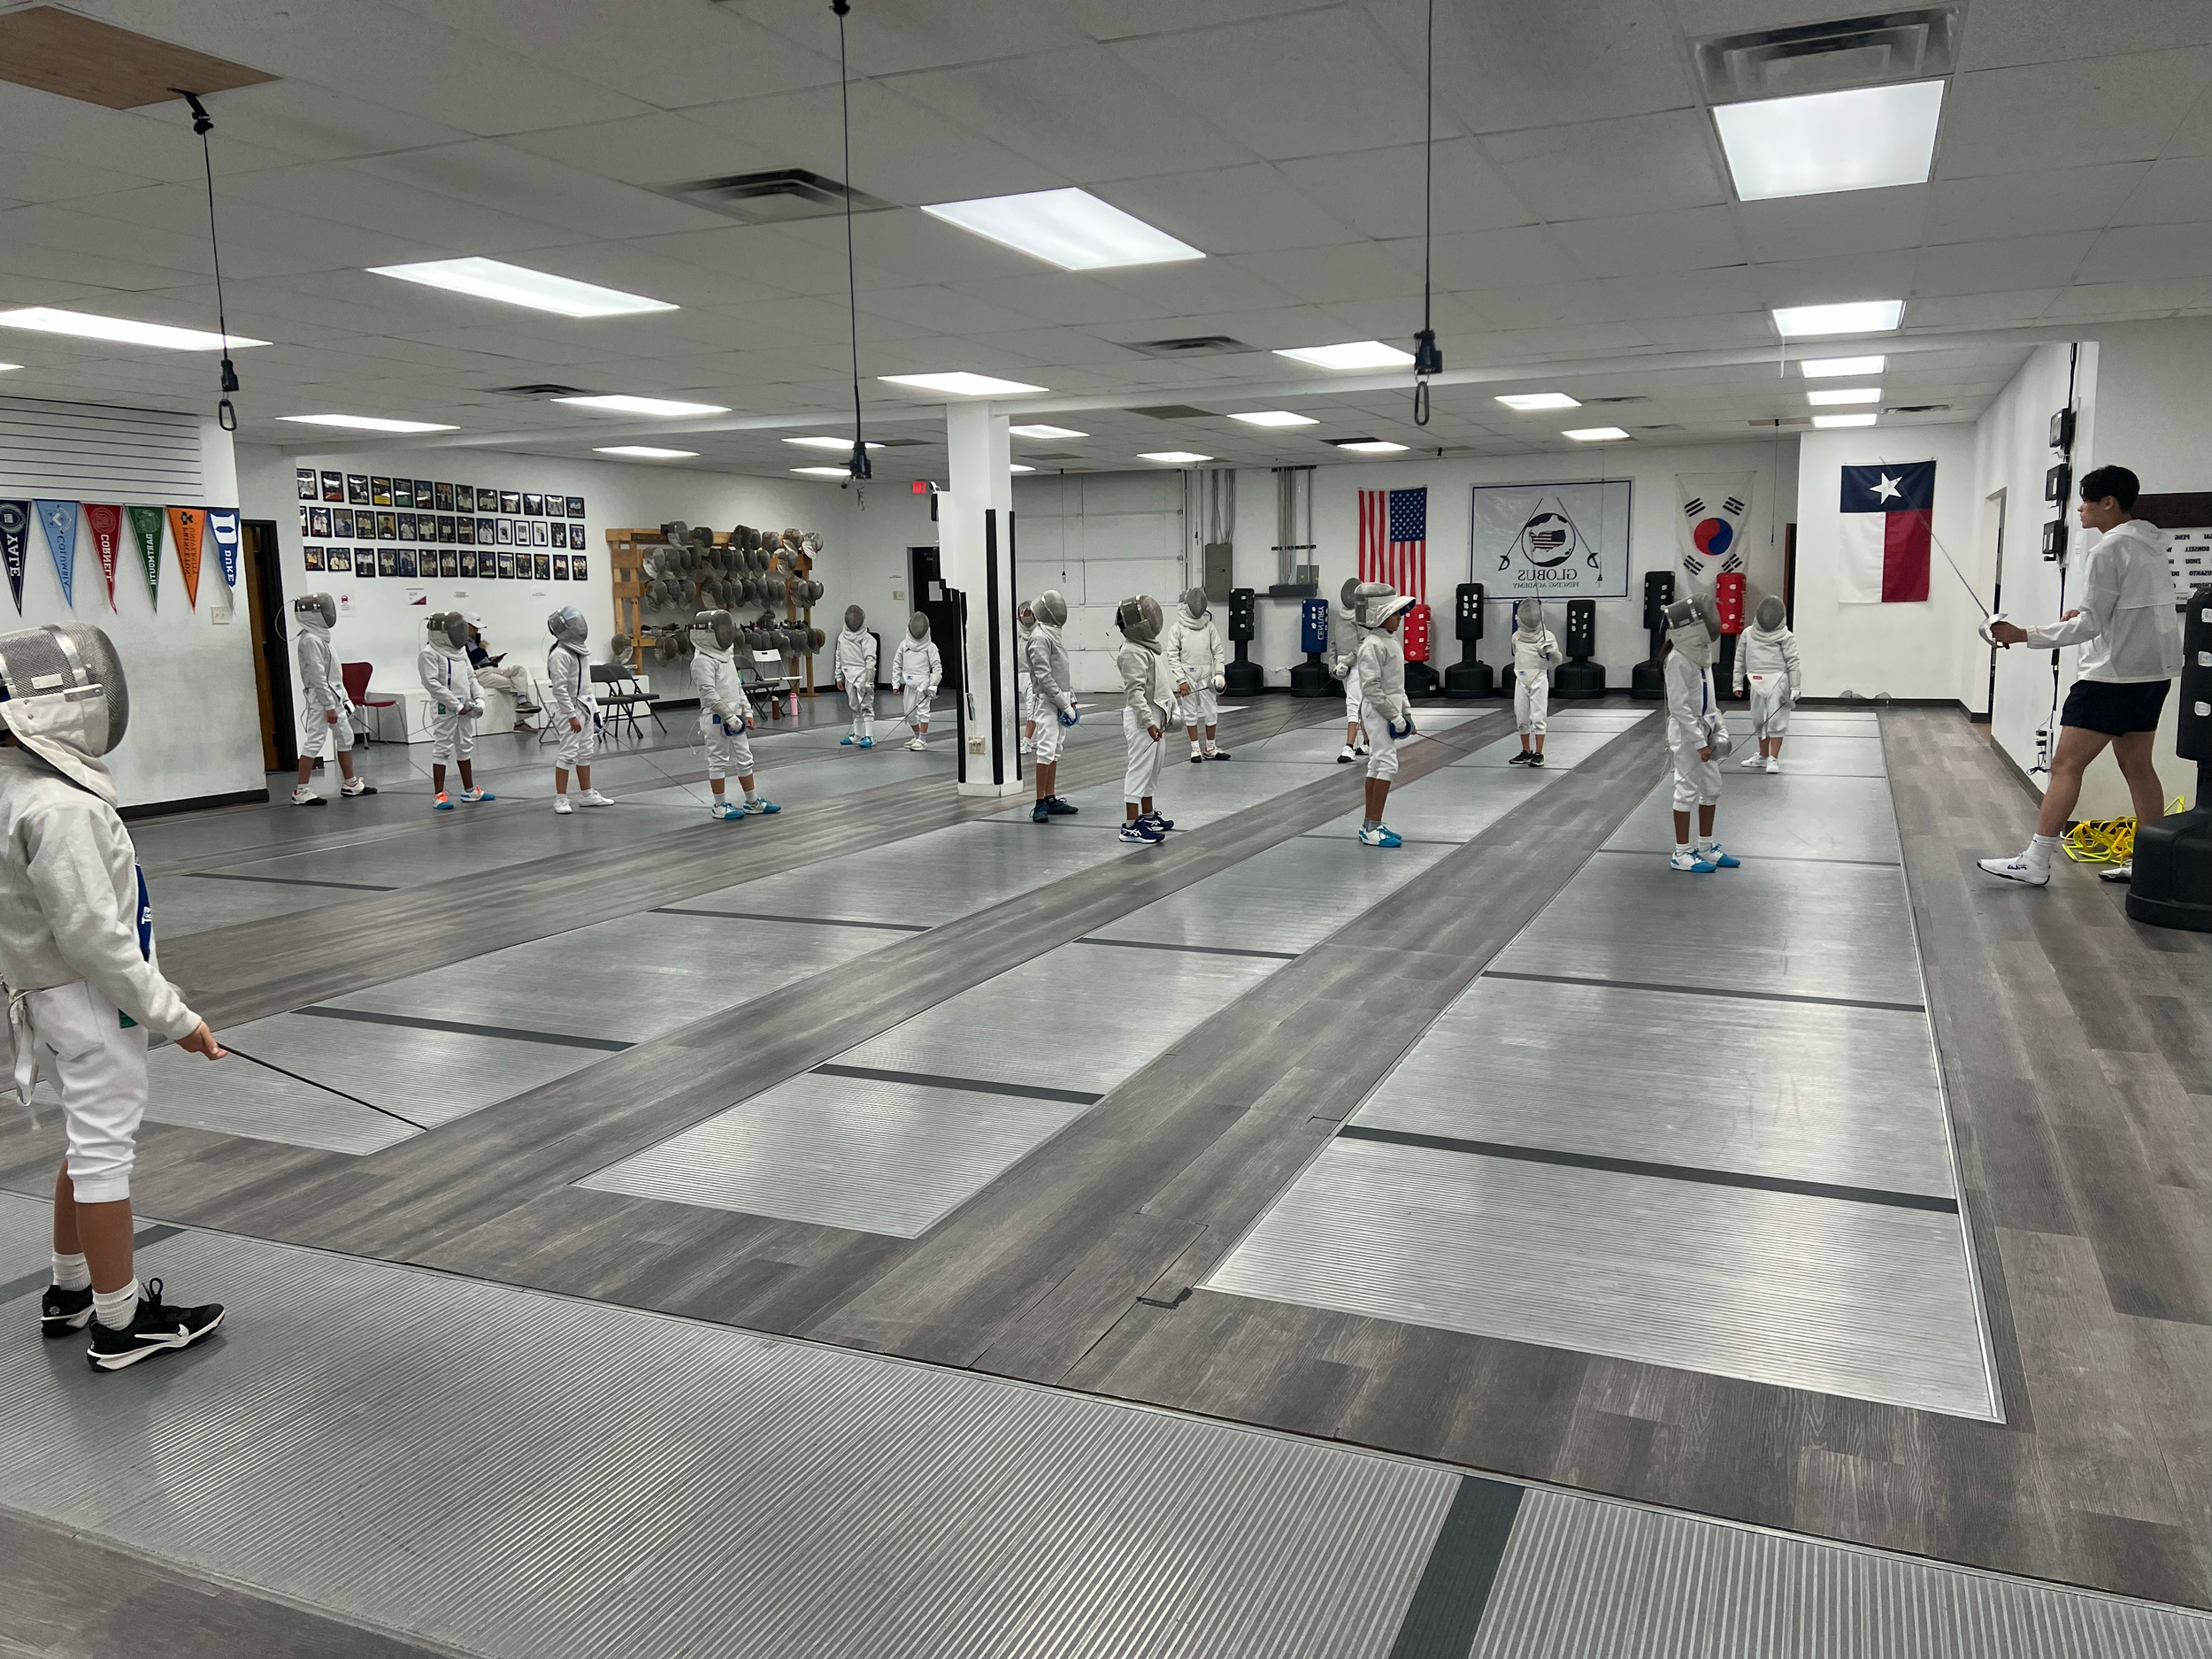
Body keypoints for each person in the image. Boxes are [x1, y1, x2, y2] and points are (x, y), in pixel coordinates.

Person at [0, 624, 227, 1371]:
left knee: (85, 1138)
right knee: (104, 1155)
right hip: (89, 1003)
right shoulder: (60, 809)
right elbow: (97, 938)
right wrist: (178, 1016)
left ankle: (69, 1291)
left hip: (43, 998)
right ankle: (121, 1322)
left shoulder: (14, 790)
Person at [1980, 465, 2185, 887]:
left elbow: (2089, 625)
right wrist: (2089, 619)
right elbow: (2119, 615)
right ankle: (2154, 863)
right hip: (2152, 675)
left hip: (2110, 678)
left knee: (2065, 765)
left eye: (2086, 501)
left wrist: (2022, 635)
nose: (2079, 509)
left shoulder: (2107, 550)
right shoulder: (2151, 545)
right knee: (2138, 766)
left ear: (2108, 503)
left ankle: (2035, 861)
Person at [1663, 593, 1740, 874]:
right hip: (1687, 734)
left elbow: (1709, 700)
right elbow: (1679, 707)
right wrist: (1697, 742)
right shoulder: (1677, 659)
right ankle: (1681, 853)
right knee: (1686, 791)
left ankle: (1706, 847)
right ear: (1690, 627)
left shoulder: (1700, 655)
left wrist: (1719, 727)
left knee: (1711, 790)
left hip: (1705, 729)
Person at [690, 609, 779, 820]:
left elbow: (737, 687)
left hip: (735, 718)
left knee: (745, 759)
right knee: (718, 761)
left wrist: (746, 712)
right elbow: (709, 694)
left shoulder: (726, 655)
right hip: (715, 718)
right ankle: (719, 806)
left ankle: (753, 802)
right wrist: (728, 716)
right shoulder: (702, 660)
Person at [288, 592, 375, 805]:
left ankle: (351, 784)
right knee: (315, 741)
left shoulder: (322, 638)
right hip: (320, 698)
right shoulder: (309, 640)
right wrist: (329, 706)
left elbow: (333, 674)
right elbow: (318, 677)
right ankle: (301, 790)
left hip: (335, 696)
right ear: (311, 615)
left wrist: (343, 700)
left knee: (346, 738)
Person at [1352, 582, 1417, 847]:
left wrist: (1407, 712)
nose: (1400, 618)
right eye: (1395, 613)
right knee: (1387, 764)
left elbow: (1396, 685)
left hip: (1387, 710)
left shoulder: (1389, 640)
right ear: (1380, 616)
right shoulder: (1372, 645)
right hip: (1377, 711)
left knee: (1377, 763)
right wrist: (1395, 717)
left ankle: (1370, 824)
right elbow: (1371, 688)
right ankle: (1372, 828)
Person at [1115, 595, 1177, 845]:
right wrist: (1149, 723)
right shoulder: (1131, 652)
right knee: (1139, 770)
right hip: (1143, 720)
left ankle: (1148, 816)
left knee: (1152, 770)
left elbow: (1159, 687)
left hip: (1155, 717)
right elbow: (1135, 694)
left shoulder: (1148, 648)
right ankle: (1130, 826)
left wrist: (1170, 714)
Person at [419, 611, 493, 810]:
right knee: (443, 747)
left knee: (465, 745)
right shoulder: (429, 653)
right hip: (445, 707)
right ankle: (438, 795)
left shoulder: (460, 652)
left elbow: (471, 678)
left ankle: (469, 791)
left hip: (466, 706)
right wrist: (456, 705)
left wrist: (479, 699)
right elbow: (432, 684)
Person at [543, 606, 611, 815]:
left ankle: (587, 794)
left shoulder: (579, 651)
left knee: (585, 752)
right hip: (570, 710)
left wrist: (595, 711)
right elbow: (559, 689)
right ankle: (560, 799)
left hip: (586, 707)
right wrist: (572, 715)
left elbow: (586, 686)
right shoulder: (560, 654)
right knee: (568, 753)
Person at [1025, 589, 1080, 825]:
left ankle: (1050, 797)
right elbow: (1044, 677)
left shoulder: (1051, 633)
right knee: (1045, 749)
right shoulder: (1039, 637)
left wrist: (1071, 696)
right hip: (1047, 701)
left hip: (1060, 698)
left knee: (1056, 748)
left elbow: (1061, 672)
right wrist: (1063, 702)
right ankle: (1039, 803)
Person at [1734, 594, 1801, 772]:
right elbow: (1739, 659)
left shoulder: (1786, 636)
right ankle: (1763, 757)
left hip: (1778, 680)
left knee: (1777, 721)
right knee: (1759, 720)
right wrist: (1737, 683)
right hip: (1755, 681)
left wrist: (1795, 687)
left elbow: (1793, 662)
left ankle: (1773, 758)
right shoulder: (1748, 633)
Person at [1169, 587, 1232, 762]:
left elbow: (1218, 651)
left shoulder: (1209, 627)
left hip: (1206, 673)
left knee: (1211, 711)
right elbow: (1172, 656)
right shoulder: (1177, 629)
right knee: (1190, 712)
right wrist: (1181, 680)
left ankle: (1210, 748)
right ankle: (1195, 749)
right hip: (1187, 675)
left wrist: (1219, 673)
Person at [1507, 598, 1562, 768]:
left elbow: (1558, 661)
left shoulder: (1548, 636)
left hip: (1539, 678)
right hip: (1521, 679)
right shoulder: (1516, 637)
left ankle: (1539, 753)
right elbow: (1517, 654)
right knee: (1521, 717)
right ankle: (1526, 751)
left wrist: (1551, 652)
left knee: (1538, 717)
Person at [465, 618, 539, 732]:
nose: (476, 630)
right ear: (466, 625)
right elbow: (467, 661)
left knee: (519, 670)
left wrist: (491, 661)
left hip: (489, 668)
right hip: (479, 673)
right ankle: (520, 722)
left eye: (477, 628)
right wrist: (481, 652)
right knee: (515, 684)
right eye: (474, 627)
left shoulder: (474, 641)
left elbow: (479, 659)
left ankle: (523, 702)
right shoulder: (460, 643)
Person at [1329, 575, 1368, 764]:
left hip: (1358, 665)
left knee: (1353, 705)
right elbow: (1334, 643)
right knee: (1360, 706)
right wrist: (1333, 666)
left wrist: (1348, 661)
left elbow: (1364, 642)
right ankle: (1367, 743)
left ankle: (1349, 747)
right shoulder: (1339, 617)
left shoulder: (1362, 617)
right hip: (1342, 666)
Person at [891, 612, 941, 752]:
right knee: (908, 712)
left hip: (923, 684)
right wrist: (896, 683)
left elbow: (937, 667)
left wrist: (933, 684)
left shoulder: (930, 647)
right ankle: (917, 737)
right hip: (909, 683)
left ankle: (923, 740)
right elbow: (897, 664)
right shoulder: (904, 645)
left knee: (923, 711)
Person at [835, 604, 879, 749]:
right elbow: (839, 657)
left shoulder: (869, 639)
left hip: (862, 675)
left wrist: (869, 680)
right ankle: (857, 735)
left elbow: (871, 662)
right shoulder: (842, 637)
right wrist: (838, 677)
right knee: (854, 706)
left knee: (866, 706)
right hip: (848, 675)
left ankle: (870, 736)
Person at [1016, 598, 1039, 757]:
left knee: (1032, 709)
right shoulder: (1014, 635)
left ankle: (1027, 742)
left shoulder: (1041, 635)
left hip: (1034, 677)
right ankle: (1034, 738)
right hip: (1018, 676)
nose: (1027, 618)